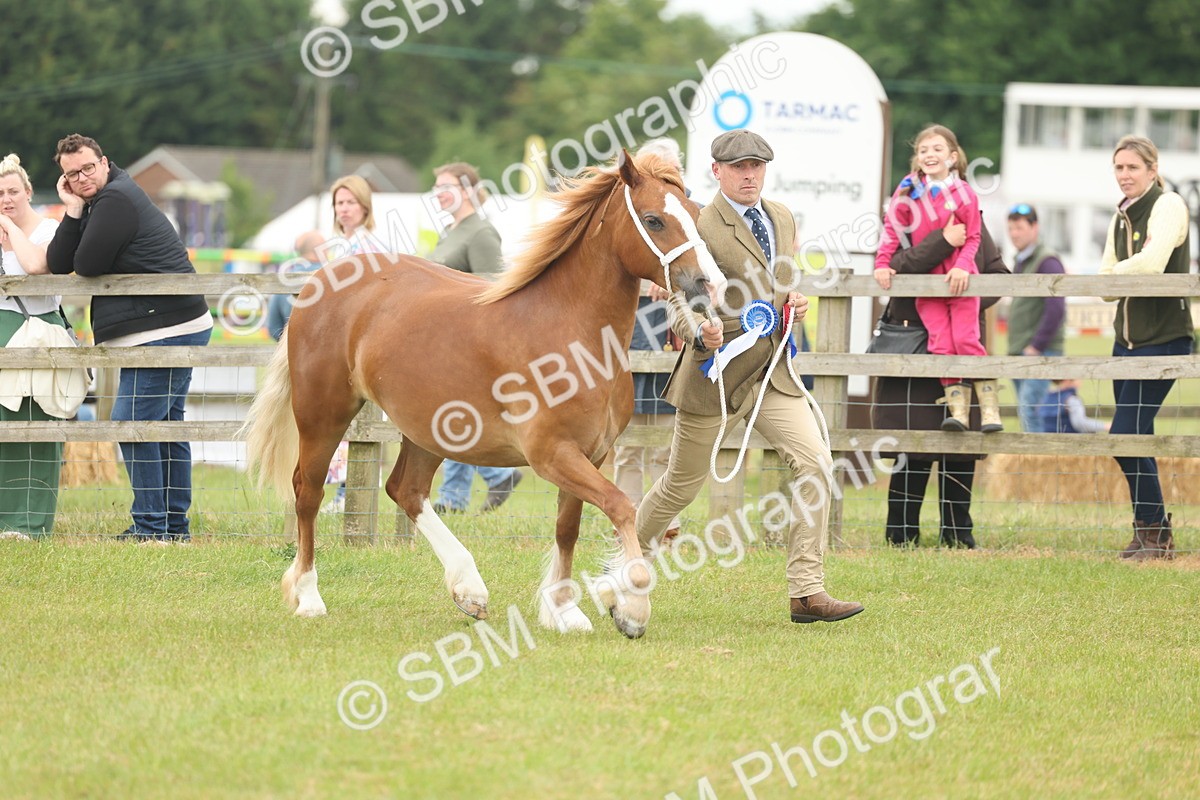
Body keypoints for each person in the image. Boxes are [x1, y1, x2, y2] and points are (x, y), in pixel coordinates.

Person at [636, 129, 863, 625]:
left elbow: (780, 286)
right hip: (714, 374)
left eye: (757, 166)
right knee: (680, 487)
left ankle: (807, 591)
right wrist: (700, 332)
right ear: (716, 171)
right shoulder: (697, 222)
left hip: (773, 373)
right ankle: (632, 561)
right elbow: (679, 300)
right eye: (738, 166)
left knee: (816, 464)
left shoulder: (781, 217)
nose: (749, 174)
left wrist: (793, 304)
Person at [47, 134, 213, 543]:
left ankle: (152, 528)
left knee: (133, 423)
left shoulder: (116, 199)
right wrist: (73, 209)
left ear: (105, 162)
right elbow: (58, 261)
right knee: (165, 426)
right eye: (72, 174)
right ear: (65, 179)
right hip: (174, 323)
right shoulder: (100, 201)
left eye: (88, 168)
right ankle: (172, 528)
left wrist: (80, 210)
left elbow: (84, 265)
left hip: (164, 327)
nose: (83, 177)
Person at [873, 219, 1011, 549]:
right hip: (914, 340)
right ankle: (902, 535)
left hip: (962, 341)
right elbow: (895, 266)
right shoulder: (907, 217)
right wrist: (943, 241)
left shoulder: (972, 221)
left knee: (959, 448)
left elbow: (999, 277)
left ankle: (958, 535)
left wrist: (961, 304)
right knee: (913, 441)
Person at [1100, 135, 1192, 561]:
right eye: (1119, 168)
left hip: (1165, 339)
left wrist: (1116, 273)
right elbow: (1104, 287)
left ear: (1153, 171)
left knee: (1125, 434)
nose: (1124, 175)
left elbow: (1152, 264)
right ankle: (1149, 531)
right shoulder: (1120, 216)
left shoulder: (1168, 204)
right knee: (1133, 438)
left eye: (1132, 168)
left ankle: (1156, 530)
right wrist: (1115, 275)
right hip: (1126, 342)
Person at [874, 125, 1001, 433]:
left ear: (953, 157)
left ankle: (989, 409)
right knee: (941, 344)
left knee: (967, 340)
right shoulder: (907, 191)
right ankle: (956, 409)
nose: (930, 155)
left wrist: (962, 266)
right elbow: (892, 231)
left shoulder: (965, 194)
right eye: (923, 150)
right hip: (926, 288)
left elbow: (972, 237)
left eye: (937, 149)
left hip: (959, 284)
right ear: (916, 158)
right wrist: (881, 262)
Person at [427, 162, 522, 513]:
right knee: (448, 413)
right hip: (442, 340)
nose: (439, 193)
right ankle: (493, 480)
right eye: (436, 187)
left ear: (467, 189)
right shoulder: (448, 231)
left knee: (452, 412)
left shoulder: (481, 232)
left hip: (467, 342)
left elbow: (492, 290)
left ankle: (452, 498)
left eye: (446, 186)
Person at [614, 138, 684, 543]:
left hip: (673, 333)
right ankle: (627, 518)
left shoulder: (684, 209)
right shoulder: (632, 206)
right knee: (628, 441)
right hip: (634, 330)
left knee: (665, 438)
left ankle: (665, 523)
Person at [0, 153, 63, 540]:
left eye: (12, 192)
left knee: (37, 426)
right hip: (1, 333)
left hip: (38, 333)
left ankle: (30, 522)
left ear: (27, 192)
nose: (6, 199)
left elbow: (38, 268)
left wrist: (9, 228)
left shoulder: (47, 230)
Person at [322, 175, 385, 514]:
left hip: (361, 338)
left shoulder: (371, 245)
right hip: (336, 338)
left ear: (364, 207)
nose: (343, 209)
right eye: (339, 203)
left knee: (360, 419)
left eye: (349, 203)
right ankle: (341, 491)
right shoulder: (336, 245)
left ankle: (351, 491)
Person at [1005, 204, 1066, 432]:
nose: (1014, 234)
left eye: (1019, 228)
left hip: (1039, 351)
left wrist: (1037, 346)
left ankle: (1038, 464)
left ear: (1035, 227)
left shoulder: (1047, 260)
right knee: (1027, 412)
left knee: (1030, 411)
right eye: (1010, 228)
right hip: (1023, 350)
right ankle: (1036, 463)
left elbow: (1056, 308)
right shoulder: (1022, 260)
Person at [266, 231, 324, 342]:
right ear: (323, 250)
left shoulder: (283, 281)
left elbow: (273, 327)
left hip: (292, 351)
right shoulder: (334, 278)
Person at [1040, 379, 1108, 434]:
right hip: (1069, 442)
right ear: (1068, 380)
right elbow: (1080, 423)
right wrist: (1105, 426)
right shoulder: (1071, 399)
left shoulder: (1047, 397)